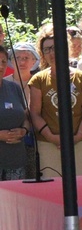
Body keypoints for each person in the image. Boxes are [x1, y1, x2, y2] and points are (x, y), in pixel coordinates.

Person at [29, 25, 82, 178]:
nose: (52, 52)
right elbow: (35, 113)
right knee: (52, 189)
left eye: (55, 47)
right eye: (47, 49)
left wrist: (77, 137)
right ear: (42, 54)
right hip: (48, 144)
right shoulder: (38, 80)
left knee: (81, 185)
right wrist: (52, 137)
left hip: (79, 143)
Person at [5, 42, 39, 178]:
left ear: (34, 61)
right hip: (9, 142)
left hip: (35, 141)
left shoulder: (39, 83)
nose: (21, 62)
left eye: (26, 58)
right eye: (17, 57)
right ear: (11, 61)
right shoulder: (4, 83)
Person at [0, 45, 30, 181]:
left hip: (16, 160)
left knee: (15, 202)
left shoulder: (13, 88)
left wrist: (23, 130)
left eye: (3, 62)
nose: (0, 66)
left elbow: (25, 116)